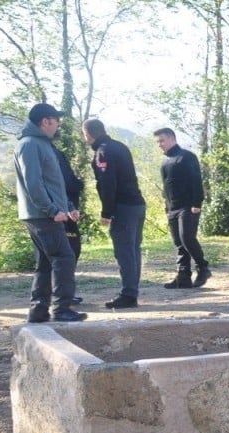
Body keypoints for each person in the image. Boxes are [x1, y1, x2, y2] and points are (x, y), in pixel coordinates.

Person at [15, 103, 84, 323]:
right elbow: (33, 183)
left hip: (46, 213)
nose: (59, 124)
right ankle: (62, 309)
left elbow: (54, 184)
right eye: (56, 120)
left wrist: (68, 207)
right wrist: (52, 209)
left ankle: (38, 312)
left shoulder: (41, 144)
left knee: (45, 263)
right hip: (42, 215)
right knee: (64, 257)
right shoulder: (30, 144)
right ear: (46, 121)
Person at [83, 118, 147, 309]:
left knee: (125, 251)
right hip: (137, 204)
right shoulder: (119, 146)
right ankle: (131, 292)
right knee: (133, 250)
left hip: (123, 207)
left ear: (88, 134)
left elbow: (108, 183)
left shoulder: (103, 151)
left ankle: (128, 295)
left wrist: (106, 212)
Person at [154, 127, 211, 290]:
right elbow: (166, 187)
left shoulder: (186, 156)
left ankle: (203, 267)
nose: (160, 144)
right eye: (158, 142)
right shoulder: (165, 161)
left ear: (172, 138)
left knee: (187, 238)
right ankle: (183, 276)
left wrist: (197, 203)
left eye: (162, 140)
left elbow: (196, 180)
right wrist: (167, 208)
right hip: (173, 208)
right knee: (179, 243)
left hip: (188, 206)